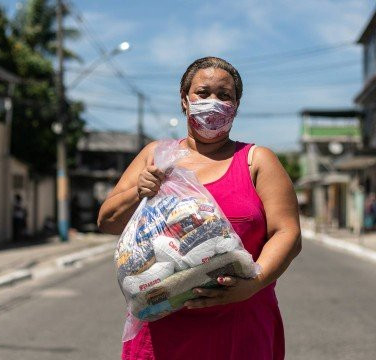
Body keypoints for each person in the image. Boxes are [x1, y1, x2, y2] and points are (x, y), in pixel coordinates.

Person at [98, 56, 302, 360]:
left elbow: (287, 232)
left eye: (224, 95)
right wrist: (137, 192)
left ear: (236, 106)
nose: (213, 102)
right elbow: (109, 221)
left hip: (240, 328)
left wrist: (254, 283)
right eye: (203, 93)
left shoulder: (256, 160)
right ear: (184, 100)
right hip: (162, 334)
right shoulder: (156, 155)